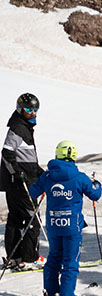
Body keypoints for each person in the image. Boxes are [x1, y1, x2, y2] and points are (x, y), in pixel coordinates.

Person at [29, 140, 102, 296]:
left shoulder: (48, 175)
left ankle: (51, 295)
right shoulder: (79, 177)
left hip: (54, 225)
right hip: (72, 226)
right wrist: (97, 183)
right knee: (70, 261)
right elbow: (95, 194)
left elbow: (33, 192)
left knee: (54, 258)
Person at [1, 93, 45, 270]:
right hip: (20, 183)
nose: (33, 113)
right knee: (32, 218)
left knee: (16, 219)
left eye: (35, 110)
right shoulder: (19, 128)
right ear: (20, 109)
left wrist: (40, 173)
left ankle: (14, 257)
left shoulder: (23, 127)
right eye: (28, 110)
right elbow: (7, 153)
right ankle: (29, 258)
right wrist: (17, 173)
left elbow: (27, 159)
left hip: (20, 181)